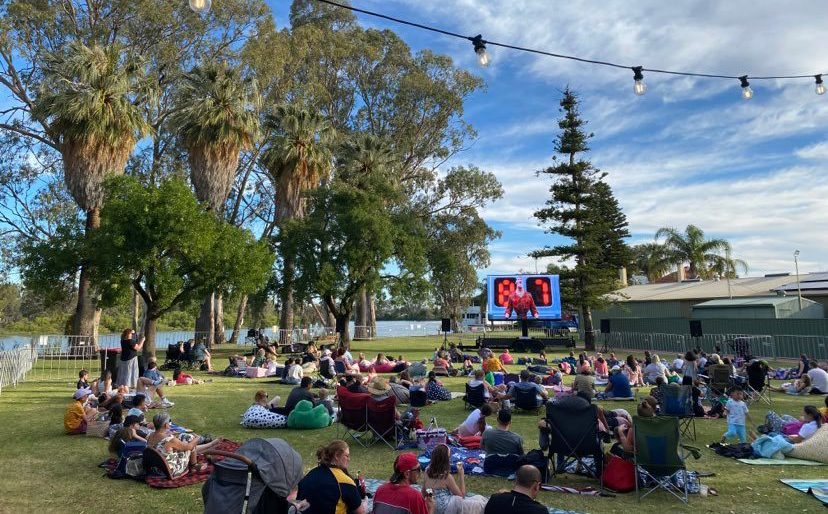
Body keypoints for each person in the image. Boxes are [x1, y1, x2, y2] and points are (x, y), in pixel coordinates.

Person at [298, 440, 365, 514]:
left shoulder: (310, 474)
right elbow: (360, 512)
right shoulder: (344, 481)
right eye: (346, 456)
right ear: (336, 456)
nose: (349, 459)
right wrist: (365, 502)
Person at [146, 412, 220, 476]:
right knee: (190, 440)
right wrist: (196, 439)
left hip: (156, 467)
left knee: (183, 436)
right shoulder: (170, 440)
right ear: (166, 425)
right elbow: (189, 447)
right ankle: (194, 466)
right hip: (169, 470)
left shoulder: (150, 435)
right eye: (169, 421)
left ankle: (208, 446)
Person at [422, 444, 487, 514]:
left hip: (432, 506)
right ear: (446, 460)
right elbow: (461, 496)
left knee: (478, 498)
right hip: (447, 508)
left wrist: (432, 496)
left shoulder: (427, 471)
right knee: (480, 504)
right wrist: (461, 475)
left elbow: (424, 491)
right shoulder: (446, 476)